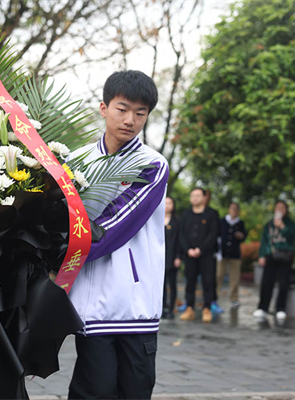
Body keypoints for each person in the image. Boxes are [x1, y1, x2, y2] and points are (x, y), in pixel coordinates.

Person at [67, 70, 168, 400]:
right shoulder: (75, 161)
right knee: (92, 391)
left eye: (141, 113)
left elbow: (114, 225)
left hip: (134, 304)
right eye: (122, 109)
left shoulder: (151, 164)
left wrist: (59, 248)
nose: (130, 120)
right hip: (90, 307)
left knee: (134, 392)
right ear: (103, 107)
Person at [252, 200, 295, 324]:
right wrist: (261, 255)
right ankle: (262, 308)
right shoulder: (269, 225)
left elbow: (292, 237)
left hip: (285, 256)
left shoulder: (290, 224)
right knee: (266, 282)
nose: (279, 210)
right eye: (277, 208)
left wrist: (282, 226)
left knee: (283, 283)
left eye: (282, 208)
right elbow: (264, 241)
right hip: (271, 256)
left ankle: (280, 309)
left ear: (286, 210)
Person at [178, 187, 219, 323]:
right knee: (190, 282)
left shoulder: (212, 214)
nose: (194, 198)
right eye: (192, 196)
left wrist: (200, 249)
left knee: (208, 282)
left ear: (204, 197)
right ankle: (189, 307)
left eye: (197, 195)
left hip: (206, 255)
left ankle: (207, 308)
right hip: (189, 255)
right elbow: (181, 235)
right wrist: (188, 249)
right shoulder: (185, 215)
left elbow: (212, 235)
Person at [217, 202, 247, 309]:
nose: (233, 211)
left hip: (235, 254)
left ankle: (234, 298)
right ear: (228, 209)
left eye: (236, 209)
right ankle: (215, 297)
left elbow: (244, 236)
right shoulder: (222, 221)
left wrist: (241, 236)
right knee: (218, 275)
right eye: (232, 208)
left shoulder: (240, 223)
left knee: (234, 277)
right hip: (222, 253)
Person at [163, 196, 182, 319]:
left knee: (172, 283)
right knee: (161, 284)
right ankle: (162, 307)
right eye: (165, 203)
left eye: (169, 203)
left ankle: (171, 308)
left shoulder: (177, 222)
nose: (167, 205)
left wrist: (178, 257)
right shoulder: (156, 220)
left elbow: (180, 240)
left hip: (172, 256)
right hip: (160, 257)